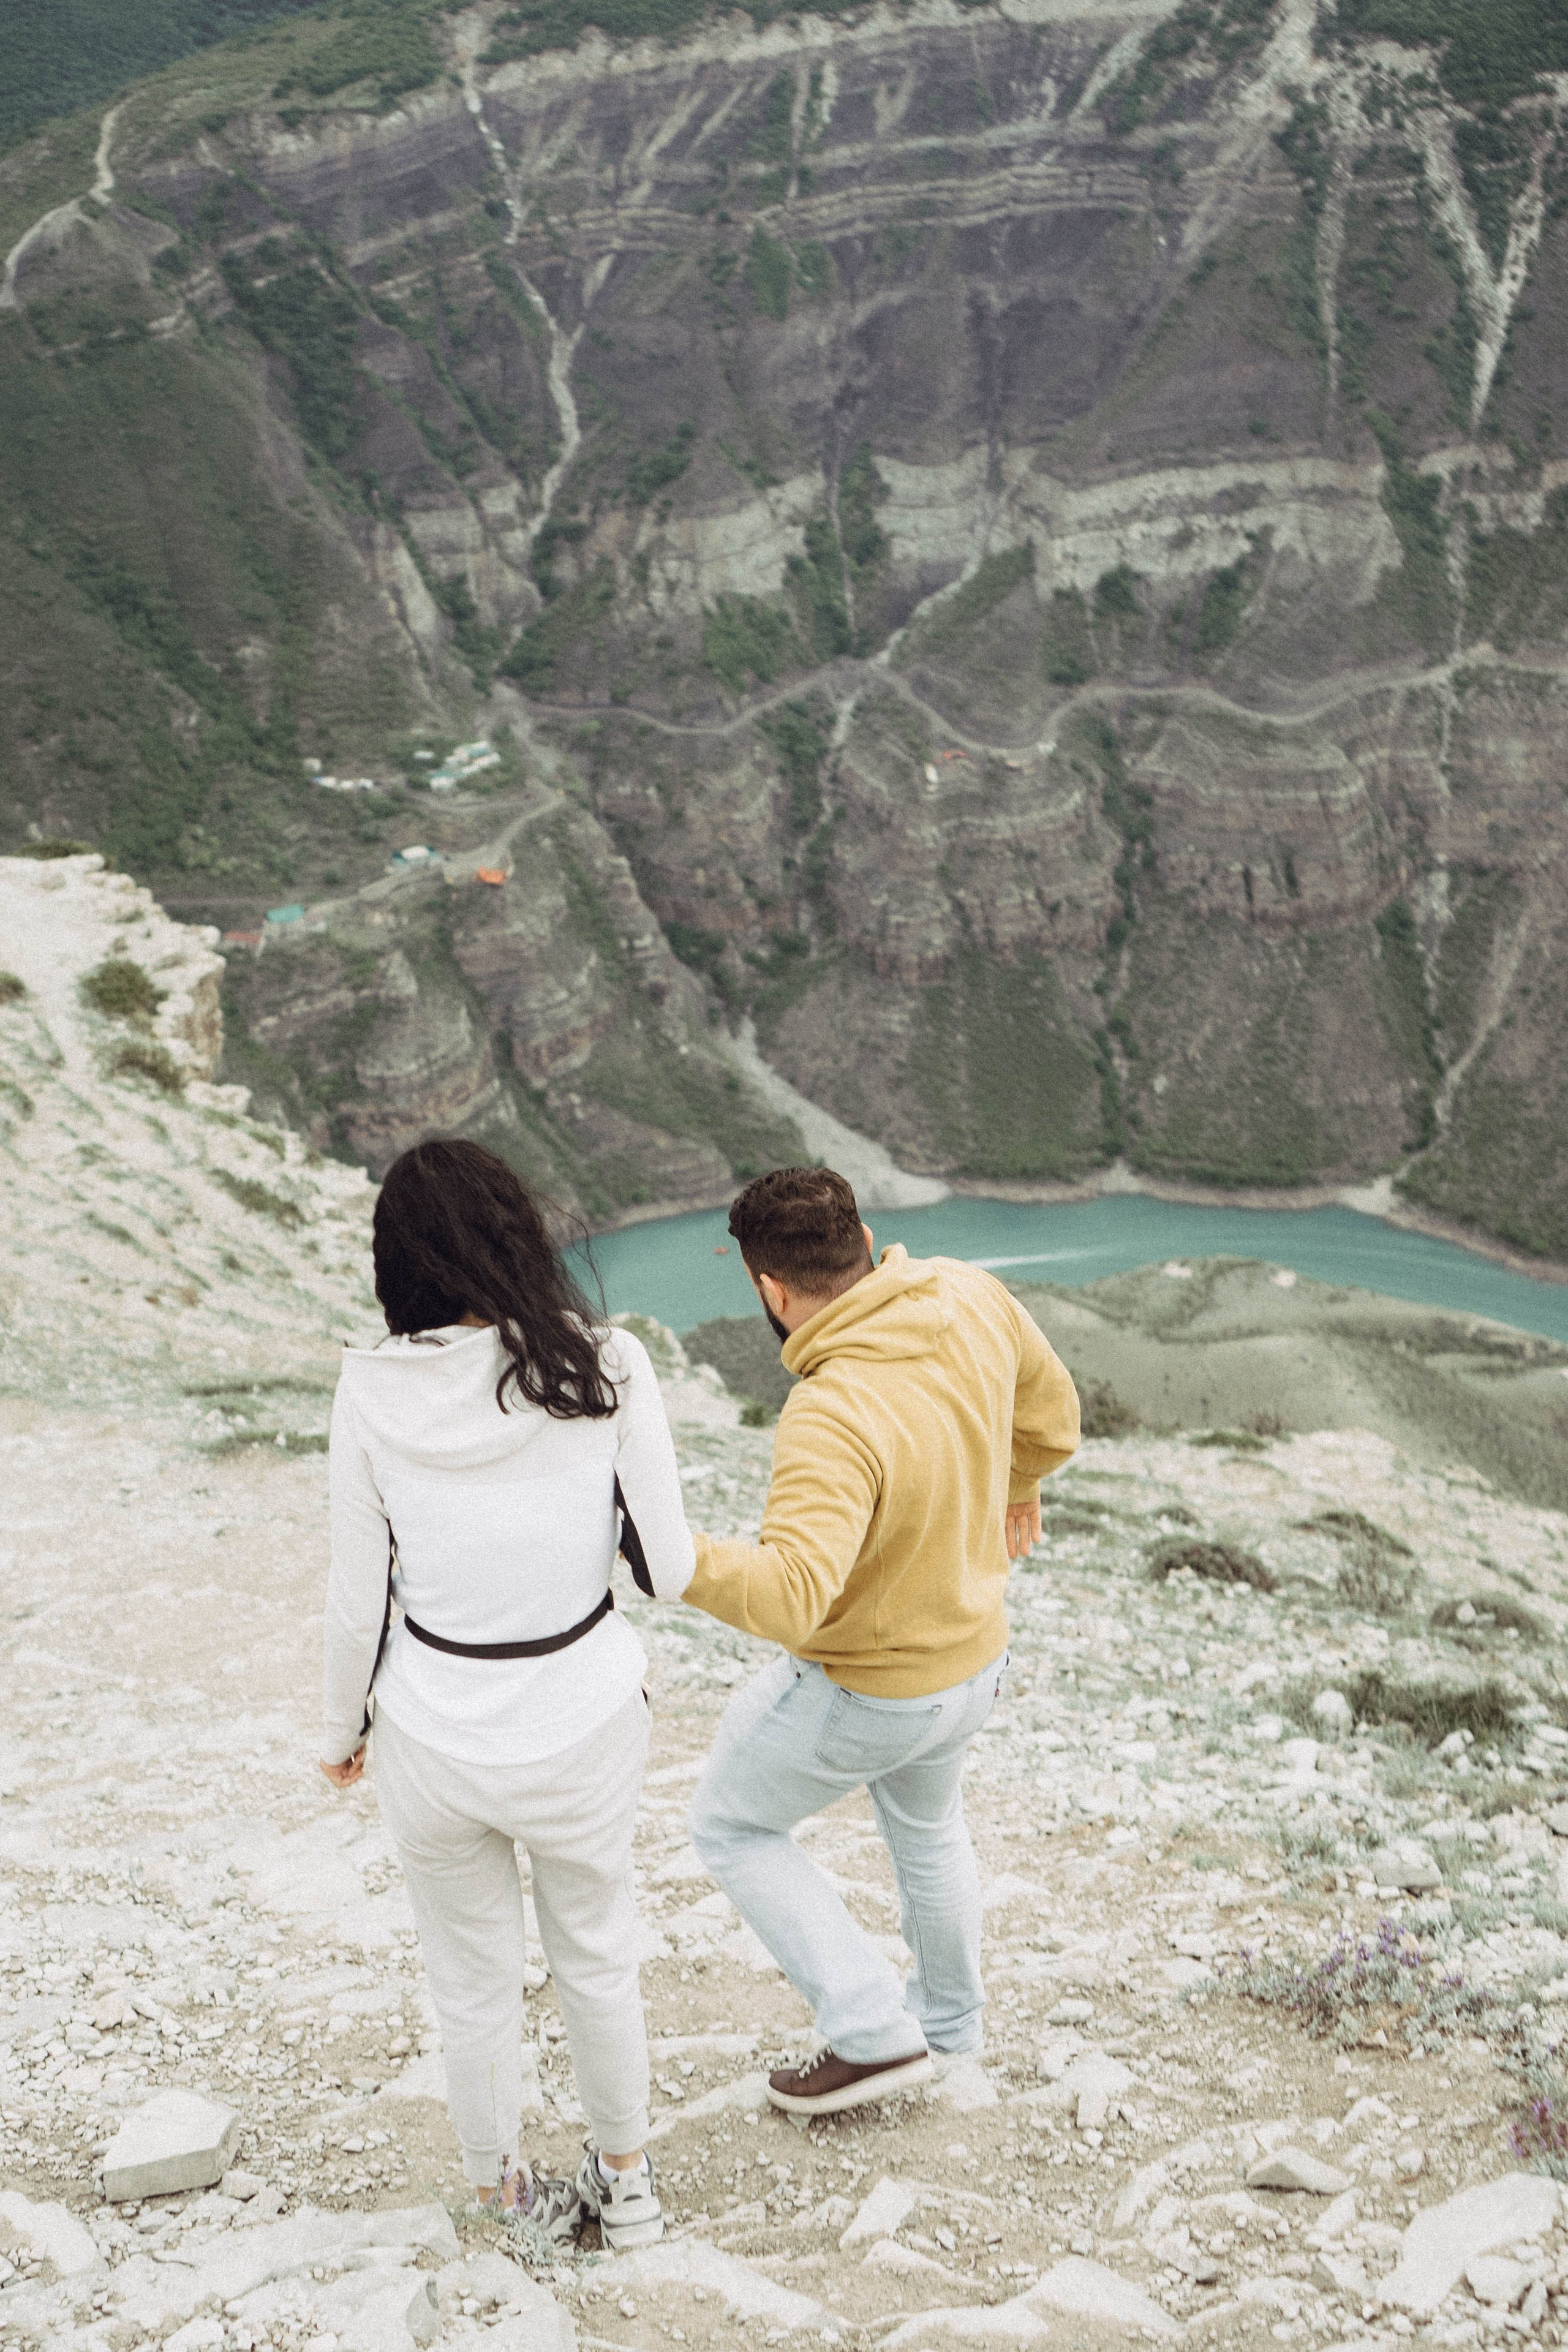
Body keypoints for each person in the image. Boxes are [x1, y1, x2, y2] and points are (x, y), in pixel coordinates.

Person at [317, 1138, 693, 2250]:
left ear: (401, 1265)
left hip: (435, 1728)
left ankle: (501, 2197)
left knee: (470, 1982)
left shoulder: (369, 1390)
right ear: (517, 1234)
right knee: (597, 1953)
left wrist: (343, 1734)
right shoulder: (606, 1363)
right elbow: (668, 1571)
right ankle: (627, 2188)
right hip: (583, 1717)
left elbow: (355, 1601)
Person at [685, 1166, 1079, 2117]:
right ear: (864, 1242)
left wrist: (671, 1557)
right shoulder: (970, 1293)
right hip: (975, 1666)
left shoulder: (831, 1408)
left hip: (873, 1693)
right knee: (929, 1832)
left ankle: (869, 2034)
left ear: (771, 1290)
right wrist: (1020, 1481)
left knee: (732, 1825)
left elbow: (789, 1599)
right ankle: (950, 2033)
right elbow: (1053, 1417)